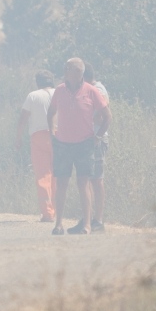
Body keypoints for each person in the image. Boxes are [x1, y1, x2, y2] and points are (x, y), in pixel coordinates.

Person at [47, 57, 110, 236]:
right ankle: (58, 224)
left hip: (84, 144)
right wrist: (52, 132)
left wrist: (97, 136)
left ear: (78, 73)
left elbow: (107, 116)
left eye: (69, 69)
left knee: (83, 183)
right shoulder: (59, 90)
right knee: (61, 183)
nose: (65, 71)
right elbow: (51, 112)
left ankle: (87, 225)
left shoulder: (91, 91)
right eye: (65, 68)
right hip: (63, 144)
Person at [15, 70, 57, 222]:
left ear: (38, 82)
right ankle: (57, 209)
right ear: (52, 81)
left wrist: (18, 138)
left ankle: (47, 213)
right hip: (59, 136)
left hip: (38, 137)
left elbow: (23, 119)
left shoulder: (33, 96)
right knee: (57, 174)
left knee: (43, 175)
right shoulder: (59, 94)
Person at [83, 65, 109, 233]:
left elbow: (102, 114)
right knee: (87, 179)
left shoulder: (97, 89)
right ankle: (90, 218)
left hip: (97, 139)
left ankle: (98, 219)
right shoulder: (93, 89)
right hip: (89, 139)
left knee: (96, 180)